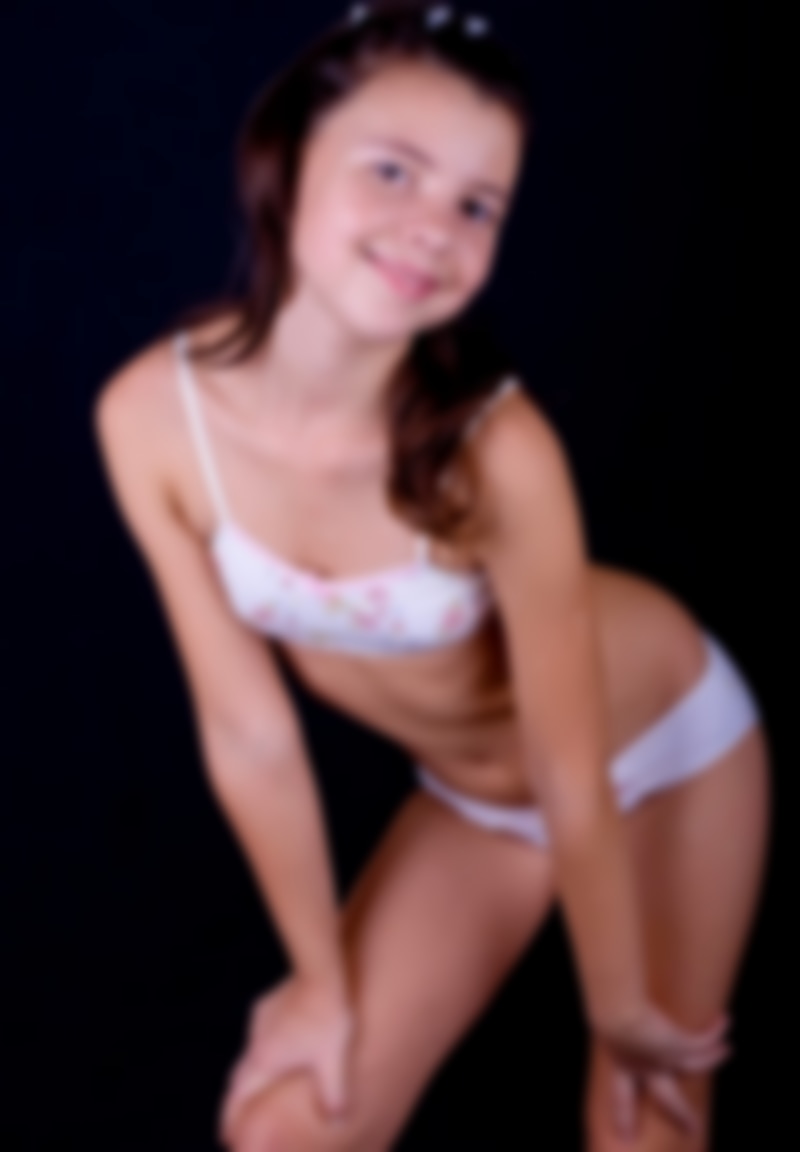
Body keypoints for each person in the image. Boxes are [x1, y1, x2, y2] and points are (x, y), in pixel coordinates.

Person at [93, 2, 769, 1149]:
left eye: (475, 205)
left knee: (638, 1132)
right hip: (478, 801)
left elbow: (569, 764)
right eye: (392, 171)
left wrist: (614, 1006)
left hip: (659, 759)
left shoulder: (495, 452)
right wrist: (318, 982)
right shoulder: (154, 419)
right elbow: (250, 734)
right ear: (289, 156)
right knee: (284, 1130)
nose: (431, 229)